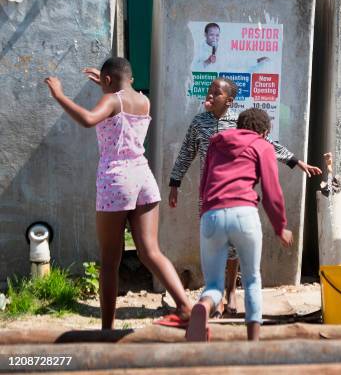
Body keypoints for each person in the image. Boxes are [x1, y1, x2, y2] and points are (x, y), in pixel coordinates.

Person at [44, 58, 192, 329]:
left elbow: (89, 119)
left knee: (110, 260)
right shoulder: (144, 101)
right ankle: (185, 307)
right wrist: (106, 83)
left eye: (104, 83)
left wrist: (59, 95)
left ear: (108, 81)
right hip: (143, 177)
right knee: (151, 251)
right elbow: (122, 93)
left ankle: (107, 328)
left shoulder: (112, 101)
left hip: (116, 180)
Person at [169, 77, 320, 318]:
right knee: (216, 247)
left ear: (229, 101)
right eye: (209, 90)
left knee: (235, 248)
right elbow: (187, 152)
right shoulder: (199, 123)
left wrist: (295, 160)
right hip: (210, 194)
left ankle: (229, 291)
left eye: (216, 92)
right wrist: (174, 183)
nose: (210, 94)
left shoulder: (238, 124)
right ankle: (217, 297)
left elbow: (266, 143)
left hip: (238, 196)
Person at [185, 108, 292, 342]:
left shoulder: (216, 142)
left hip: (211, 213)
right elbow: (272, 191)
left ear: (238, 126)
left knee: (213, 285)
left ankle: (204, 306)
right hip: (244, 213)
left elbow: (204, 183)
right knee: (252, 278)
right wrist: (279, 226)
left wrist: (206, 214)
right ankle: (253, 342)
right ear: (264, 133)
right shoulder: (262, 146)